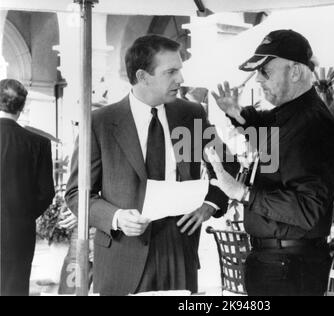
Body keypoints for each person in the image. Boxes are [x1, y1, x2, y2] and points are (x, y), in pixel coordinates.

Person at [65, 34, 237, 296]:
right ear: (143, 76)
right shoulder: (100, 123)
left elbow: (227, 166)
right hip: (122, 253)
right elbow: (77, 194)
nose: (180, 79)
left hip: (179, 248)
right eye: (171, 72)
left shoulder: (191, 115)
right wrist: (116, 217)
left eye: (179, 70)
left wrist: (209, 205)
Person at [207, 29, 334, 296]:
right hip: (277, 264)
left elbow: (307, 208)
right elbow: (267, 129)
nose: (258, 79)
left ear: (295, 72)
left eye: (266, 71)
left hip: (291, 269)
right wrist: (238, 115)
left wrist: (242, 193)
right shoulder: (290, 116)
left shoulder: (315, 126)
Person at [0, 79, 55, 296]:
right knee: (14, 288)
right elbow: (46, 193)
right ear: (22, 107)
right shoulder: (38, 143)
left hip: (18, 227)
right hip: (19, 231)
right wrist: (23, 214)